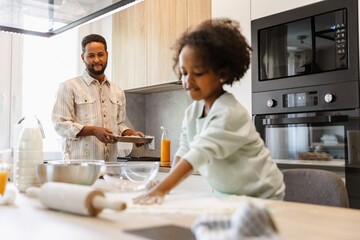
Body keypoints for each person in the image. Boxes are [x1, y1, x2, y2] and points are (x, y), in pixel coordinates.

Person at [134, 18, 285, 204]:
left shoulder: (229, 113)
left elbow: (199, 154)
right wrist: (166, 187)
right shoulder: (192, 112)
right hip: (226, 196)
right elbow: (184, 150)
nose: (187, 81)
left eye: (197, 73)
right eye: (184, 73)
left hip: (262, 198)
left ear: (222, 73)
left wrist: (161, 189)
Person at [52, 34, 144, 161]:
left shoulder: (118, 91)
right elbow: (60, 124)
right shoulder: (68, 87)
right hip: (79, 170)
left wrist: (131, 134)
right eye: (91, 56)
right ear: (83, 57)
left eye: (100, 54)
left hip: (110, 169)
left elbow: (118, 124)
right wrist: (93, 130)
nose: (96, 60)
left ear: (107, 55)